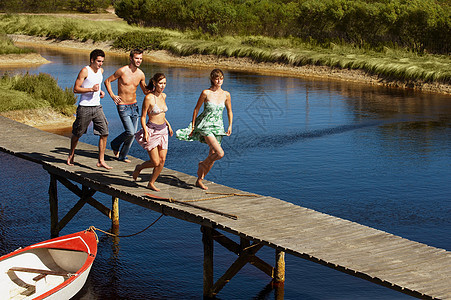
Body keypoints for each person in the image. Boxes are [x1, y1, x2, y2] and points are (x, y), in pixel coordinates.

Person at [176, 69, 233, 190]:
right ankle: (202, 164)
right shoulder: (205, 93)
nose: (219, 81)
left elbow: (229, 111)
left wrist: (230, 125)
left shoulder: (226, 94)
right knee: (220, 153)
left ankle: (200, 180)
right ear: (212, 79)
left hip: (219, 127)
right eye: (217, 78)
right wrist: (192, 125)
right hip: (206, 125)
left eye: (221, 78)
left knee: (213, 154)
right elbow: (196, 109)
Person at [66, 49, 112, 169]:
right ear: (92, 60)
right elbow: (76, 89)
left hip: (97, 107)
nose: (100, 64)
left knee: (104, 132)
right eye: (98, 61)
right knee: (77, 133)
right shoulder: (85, 71)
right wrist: (91, 89)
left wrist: (100, 91)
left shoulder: (101, 71)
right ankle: (71, 154)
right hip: (84, 107)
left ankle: (101, 160)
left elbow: (97, 84)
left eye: (102, 61)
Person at [104, 49, 148, 163]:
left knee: (132, 135)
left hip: (134, 106)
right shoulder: (122, 71)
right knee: (131, 132)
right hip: (123, 106)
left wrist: (156, 87)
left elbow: (145, 91)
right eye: (136, 58)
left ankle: (122, 156)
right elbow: (107, 81)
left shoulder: (141, 74)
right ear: (131, 58)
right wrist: (113, 96)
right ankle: (115, 144)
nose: (139, 61)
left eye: (140, 59)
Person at [133, 73, 173, 191]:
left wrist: (168, 124)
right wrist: (145, 131)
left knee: (162, 161)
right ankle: (139, 167)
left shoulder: (164, 96)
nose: (163, 86)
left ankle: (151, 182)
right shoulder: (149, 98)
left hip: (163, 131)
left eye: (164, 83)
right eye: (160, 83)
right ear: (154, 83)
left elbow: (161, 113)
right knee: (155, 162)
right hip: (152, 131)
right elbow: (143, 116)